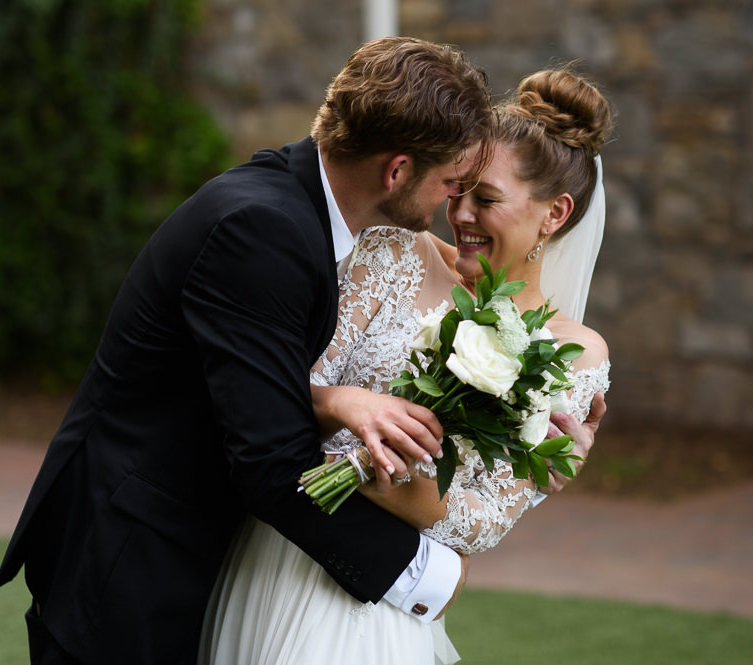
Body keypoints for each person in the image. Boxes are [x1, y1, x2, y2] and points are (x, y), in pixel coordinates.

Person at [0, 37, 496, 665]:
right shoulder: (263, 231)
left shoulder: (293, 201)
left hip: (165, 540)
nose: (450, 205)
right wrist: (424, 576)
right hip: (127, 552)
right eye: (449, 183)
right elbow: (270, 459)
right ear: (396, 171)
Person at [198, 67, 613, 664]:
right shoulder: (394, 254)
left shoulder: (573, 357)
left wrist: (374, 468)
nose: (462, 213)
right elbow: (281, 396)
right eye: (459, 187)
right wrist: (347, 410)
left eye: (488, 198)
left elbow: (481, 522)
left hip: (378, 605)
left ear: (555, 213)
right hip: (279, 552)